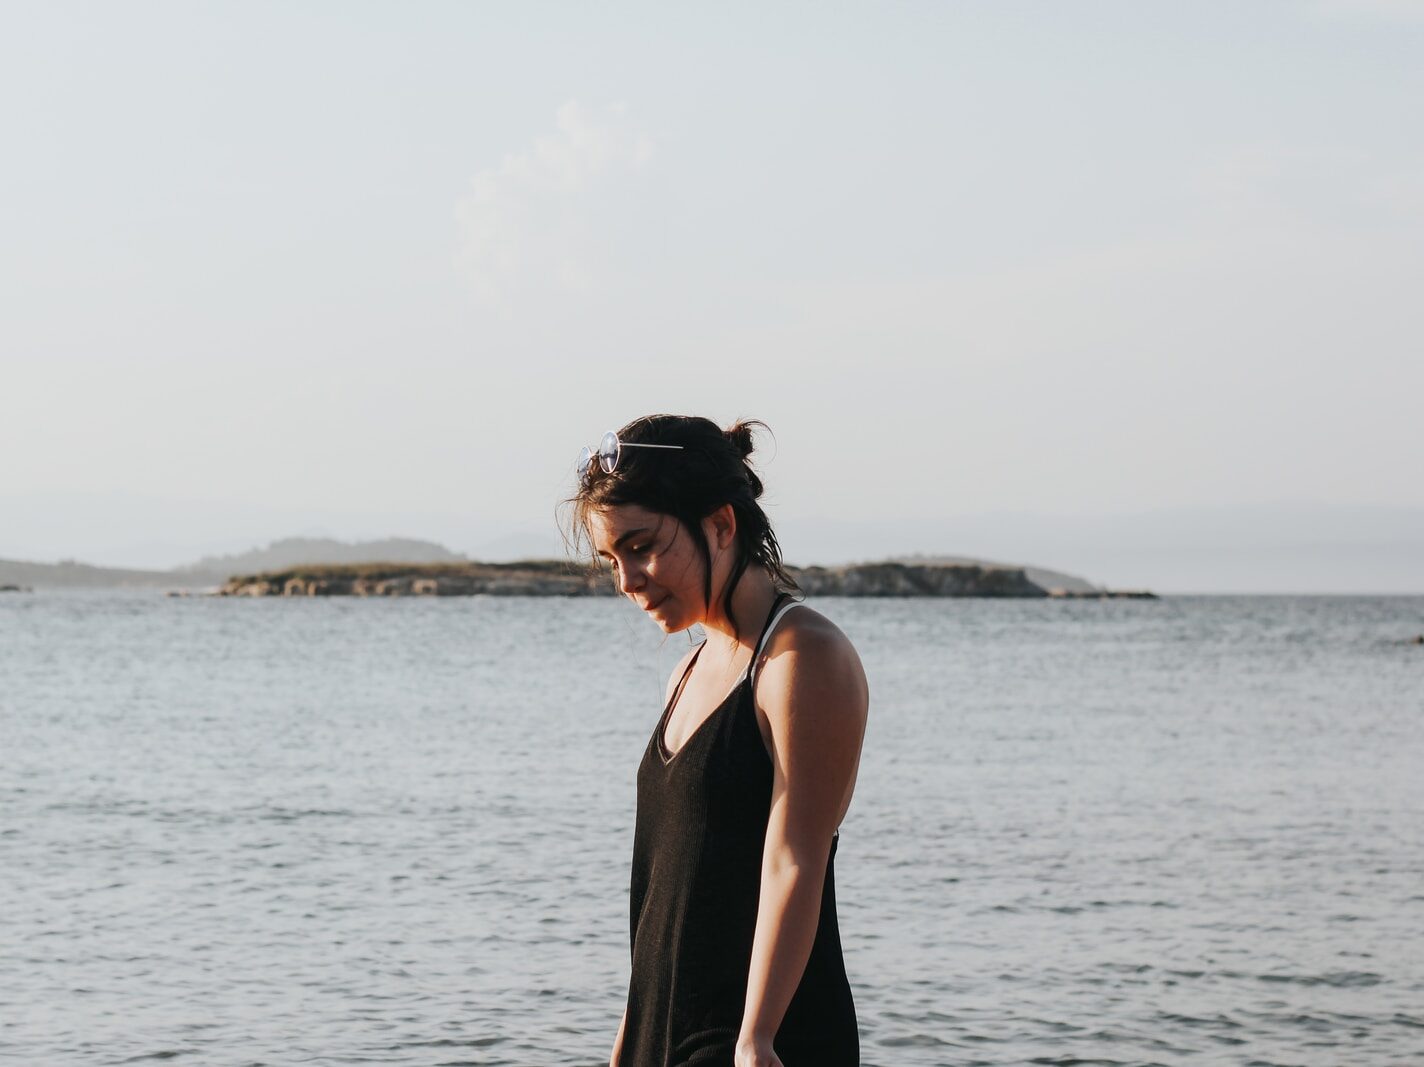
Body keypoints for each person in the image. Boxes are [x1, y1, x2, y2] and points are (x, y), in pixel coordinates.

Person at [565, 414, 868, 1067]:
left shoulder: (802, 659)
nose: (627, 578)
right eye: (611, 558)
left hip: (763, 1043)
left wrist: (756, 1038)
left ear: (722, 525)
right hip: (666, 1041)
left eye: (642, 545)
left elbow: (795, 859)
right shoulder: (685, 674)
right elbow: (659, 902)